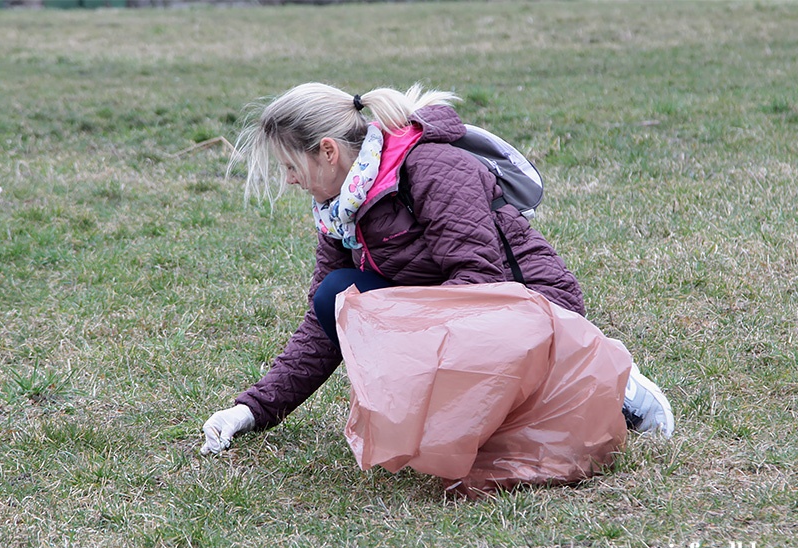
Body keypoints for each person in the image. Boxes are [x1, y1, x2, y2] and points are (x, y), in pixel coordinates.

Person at [200, 83, 674, 456]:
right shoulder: (339, 212)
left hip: (535, 307)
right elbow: (323, 327)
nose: (288, 180)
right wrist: (249, 410)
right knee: (336, 297)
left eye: (290, 165)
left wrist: (411, 353)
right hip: (458, 315)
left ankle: (613, 380)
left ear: (328, 151)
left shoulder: (430, 168)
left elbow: (482, 283)